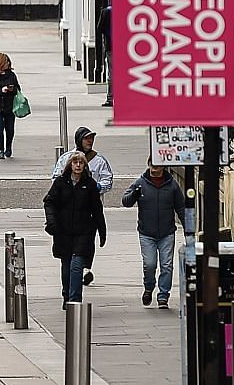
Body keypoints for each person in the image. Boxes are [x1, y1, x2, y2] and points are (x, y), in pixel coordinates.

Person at [43, 151, 106, 304]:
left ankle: (75, 300)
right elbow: (49, 202)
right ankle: (66, 294)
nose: (78, 165)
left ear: (85, 166)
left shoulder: (90, 185)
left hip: (83, 232)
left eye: (81, 162)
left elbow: (97, 209)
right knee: (66, 266)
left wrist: (102, 230)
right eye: (75, 162)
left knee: (77, 266)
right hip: (63, 231)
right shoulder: (60, 183)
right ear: (70, 165)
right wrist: (52, 222)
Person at [122, 163, 188, 309]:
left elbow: (181, 208)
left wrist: (188, 229)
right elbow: (125, 201)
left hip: (167, 232)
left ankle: (163, 295)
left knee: (167, 266)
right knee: (150, 264)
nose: (154, 169)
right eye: (152, 165)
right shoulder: (140, 183)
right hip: (147, 233)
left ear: (163, 167)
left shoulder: (172, 185)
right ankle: (149, 286)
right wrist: (134, 195)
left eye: (157, 166)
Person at [51, 127, 114, 194]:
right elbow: (56, 178)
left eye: (91, 138)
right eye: (86, 138)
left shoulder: (99, 160)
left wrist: (96, 187)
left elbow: (108, 180)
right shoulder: (65, 158)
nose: (90, 141)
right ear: (79, 140)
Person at [0, 52, 21, 160]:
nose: (8, 64)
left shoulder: (11, 75)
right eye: (6, 62)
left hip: (9, 105)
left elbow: (18, 89)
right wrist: (1, 90)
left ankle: (8, 147)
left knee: (10, 129)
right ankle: (0, 150)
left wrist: (11, 89)